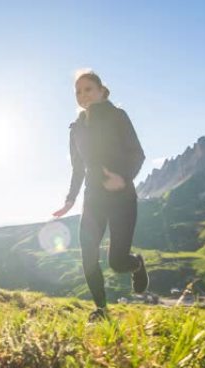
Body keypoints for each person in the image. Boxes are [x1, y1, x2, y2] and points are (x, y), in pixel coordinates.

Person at [52, 69, 148, 322]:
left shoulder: (118, 116)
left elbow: (137, 154)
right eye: (78, 91)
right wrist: (70, 199)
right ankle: (102, 311)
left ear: (101, 90)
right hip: (93, 199)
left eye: (88, 89)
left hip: (122, 198)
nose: (83, 95)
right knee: (88, 255)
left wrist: (123, 178)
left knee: (117, 262)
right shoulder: (76, 129)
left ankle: (136, 263)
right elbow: (77, 168)